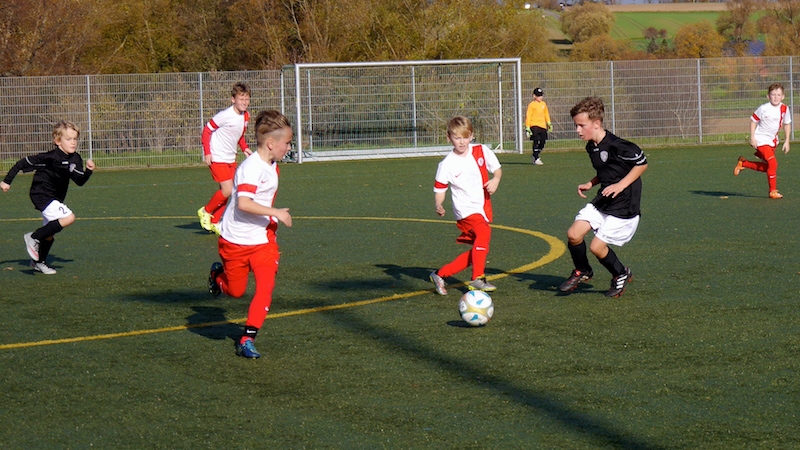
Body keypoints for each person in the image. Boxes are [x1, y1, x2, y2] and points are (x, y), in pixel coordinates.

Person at [207, 110, 293, 359]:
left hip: (262, 241)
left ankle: (247, 339)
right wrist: (275, 212)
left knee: (266, 287)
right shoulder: (250, 168)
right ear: (271, 143)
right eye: (287, 143)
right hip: (234, 241)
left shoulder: (273, 166)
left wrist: (270, 222)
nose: (289, 148)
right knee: (235, 291)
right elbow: (244, 204)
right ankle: (217, 276)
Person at [559, 97, 647, 298]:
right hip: (605, 200)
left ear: (596, 124)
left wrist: (621, 185)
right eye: (576, 125)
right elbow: (608, 171)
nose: (578, 130)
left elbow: (642, 164)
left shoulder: (618, 145)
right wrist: (591, 183)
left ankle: (621, 273)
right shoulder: (591, 146)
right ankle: (583, 271)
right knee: (574, 234)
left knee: (596, 247)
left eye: (582, 125)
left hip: (624, 206)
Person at [0, 120, 95, 274]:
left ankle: (39, 263)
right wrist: (6, 181)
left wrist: (89, 171)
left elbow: (79, 181)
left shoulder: (76, 158)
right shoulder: (50, 157)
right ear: (58, 141)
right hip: (41, 194)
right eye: (68, 139)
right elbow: (22, 163)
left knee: (49, 234)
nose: (73, 142)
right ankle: (33, 237)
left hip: (55, 198)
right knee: (69, 218)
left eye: (75, 139)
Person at [429, 115, 502, 295]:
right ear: (449, 138)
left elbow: (497, 169)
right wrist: (439, 204)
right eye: (457, 138)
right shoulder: (446, 164)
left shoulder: (481, 150)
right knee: (483, 233)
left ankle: (440, 274)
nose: (462, 142)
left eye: (465, 137)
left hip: (483, 207)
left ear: (472, 136)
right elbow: (440, 189)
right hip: (465, 211)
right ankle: (478, 278)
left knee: (479, 251)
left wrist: (496, 180)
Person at [197, 82, 252, 234]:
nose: (244, 102)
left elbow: (239, 135)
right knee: (227, 190)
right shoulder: (225, 115)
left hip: (230, 158)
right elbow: (206, 131)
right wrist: (207, 152)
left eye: (247, 99)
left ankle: (215, 221)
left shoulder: (246, 116)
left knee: (229, 190)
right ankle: (206, 211)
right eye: (241, 99)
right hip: (218, 156)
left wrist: (244, 148)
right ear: (233, 99)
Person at [734, 82, 791, 199]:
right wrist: (752, 137)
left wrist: (787, 141)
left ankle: (743, 163)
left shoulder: (785, 109)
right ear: (768, 96)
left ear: (783, 96)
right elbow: (753, 121)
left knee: (768, 168)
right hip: (760, 140)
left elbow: (787, 124)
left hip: (772, 142)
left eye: (778, 95)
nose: (776, 97)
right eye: (773, 94)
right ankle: (772, 191)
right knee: (773, 163)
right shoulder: (763, 108)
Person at [525, 87, 552, 165]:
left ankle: (535, 154)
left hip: (542, 126)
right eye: (538, 95)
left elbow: (546, 114)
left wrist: (549, 123)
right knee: (536, 140)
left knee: (543, 142)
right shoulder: (531, 105)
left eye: (541, 95)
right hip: (534, 125)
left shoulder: (543, 104)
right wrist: (527, 127)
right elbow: (528, 116)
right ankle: (536, 158)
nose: (540, 97)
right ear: (534, 96)